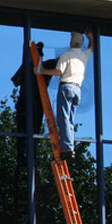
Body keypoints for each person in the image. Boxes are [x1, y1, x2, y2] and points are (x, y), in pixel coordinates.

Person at [37, 30, 95, 160]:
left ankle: (67, 148)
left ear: (70, 42)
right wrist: (90, 37)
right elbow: (92, 47)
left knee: (63, 119)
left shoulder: (67, 55)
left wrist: (43, 71)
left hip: (66, 87)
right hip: (77, 90)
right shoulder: (84, 55)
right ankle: (69, 147)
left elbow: (59, 71)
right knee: (69, 120)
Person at [12, 41, 56, 169]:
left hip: (35, 104)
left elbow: (59, 62)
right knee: (24, 131)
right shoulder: (31, 68)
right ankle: (23, 157)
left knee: (30, 132)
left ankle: (28, 157)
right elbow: (16, 81)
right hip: (27, 103)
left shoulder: (44, 68)